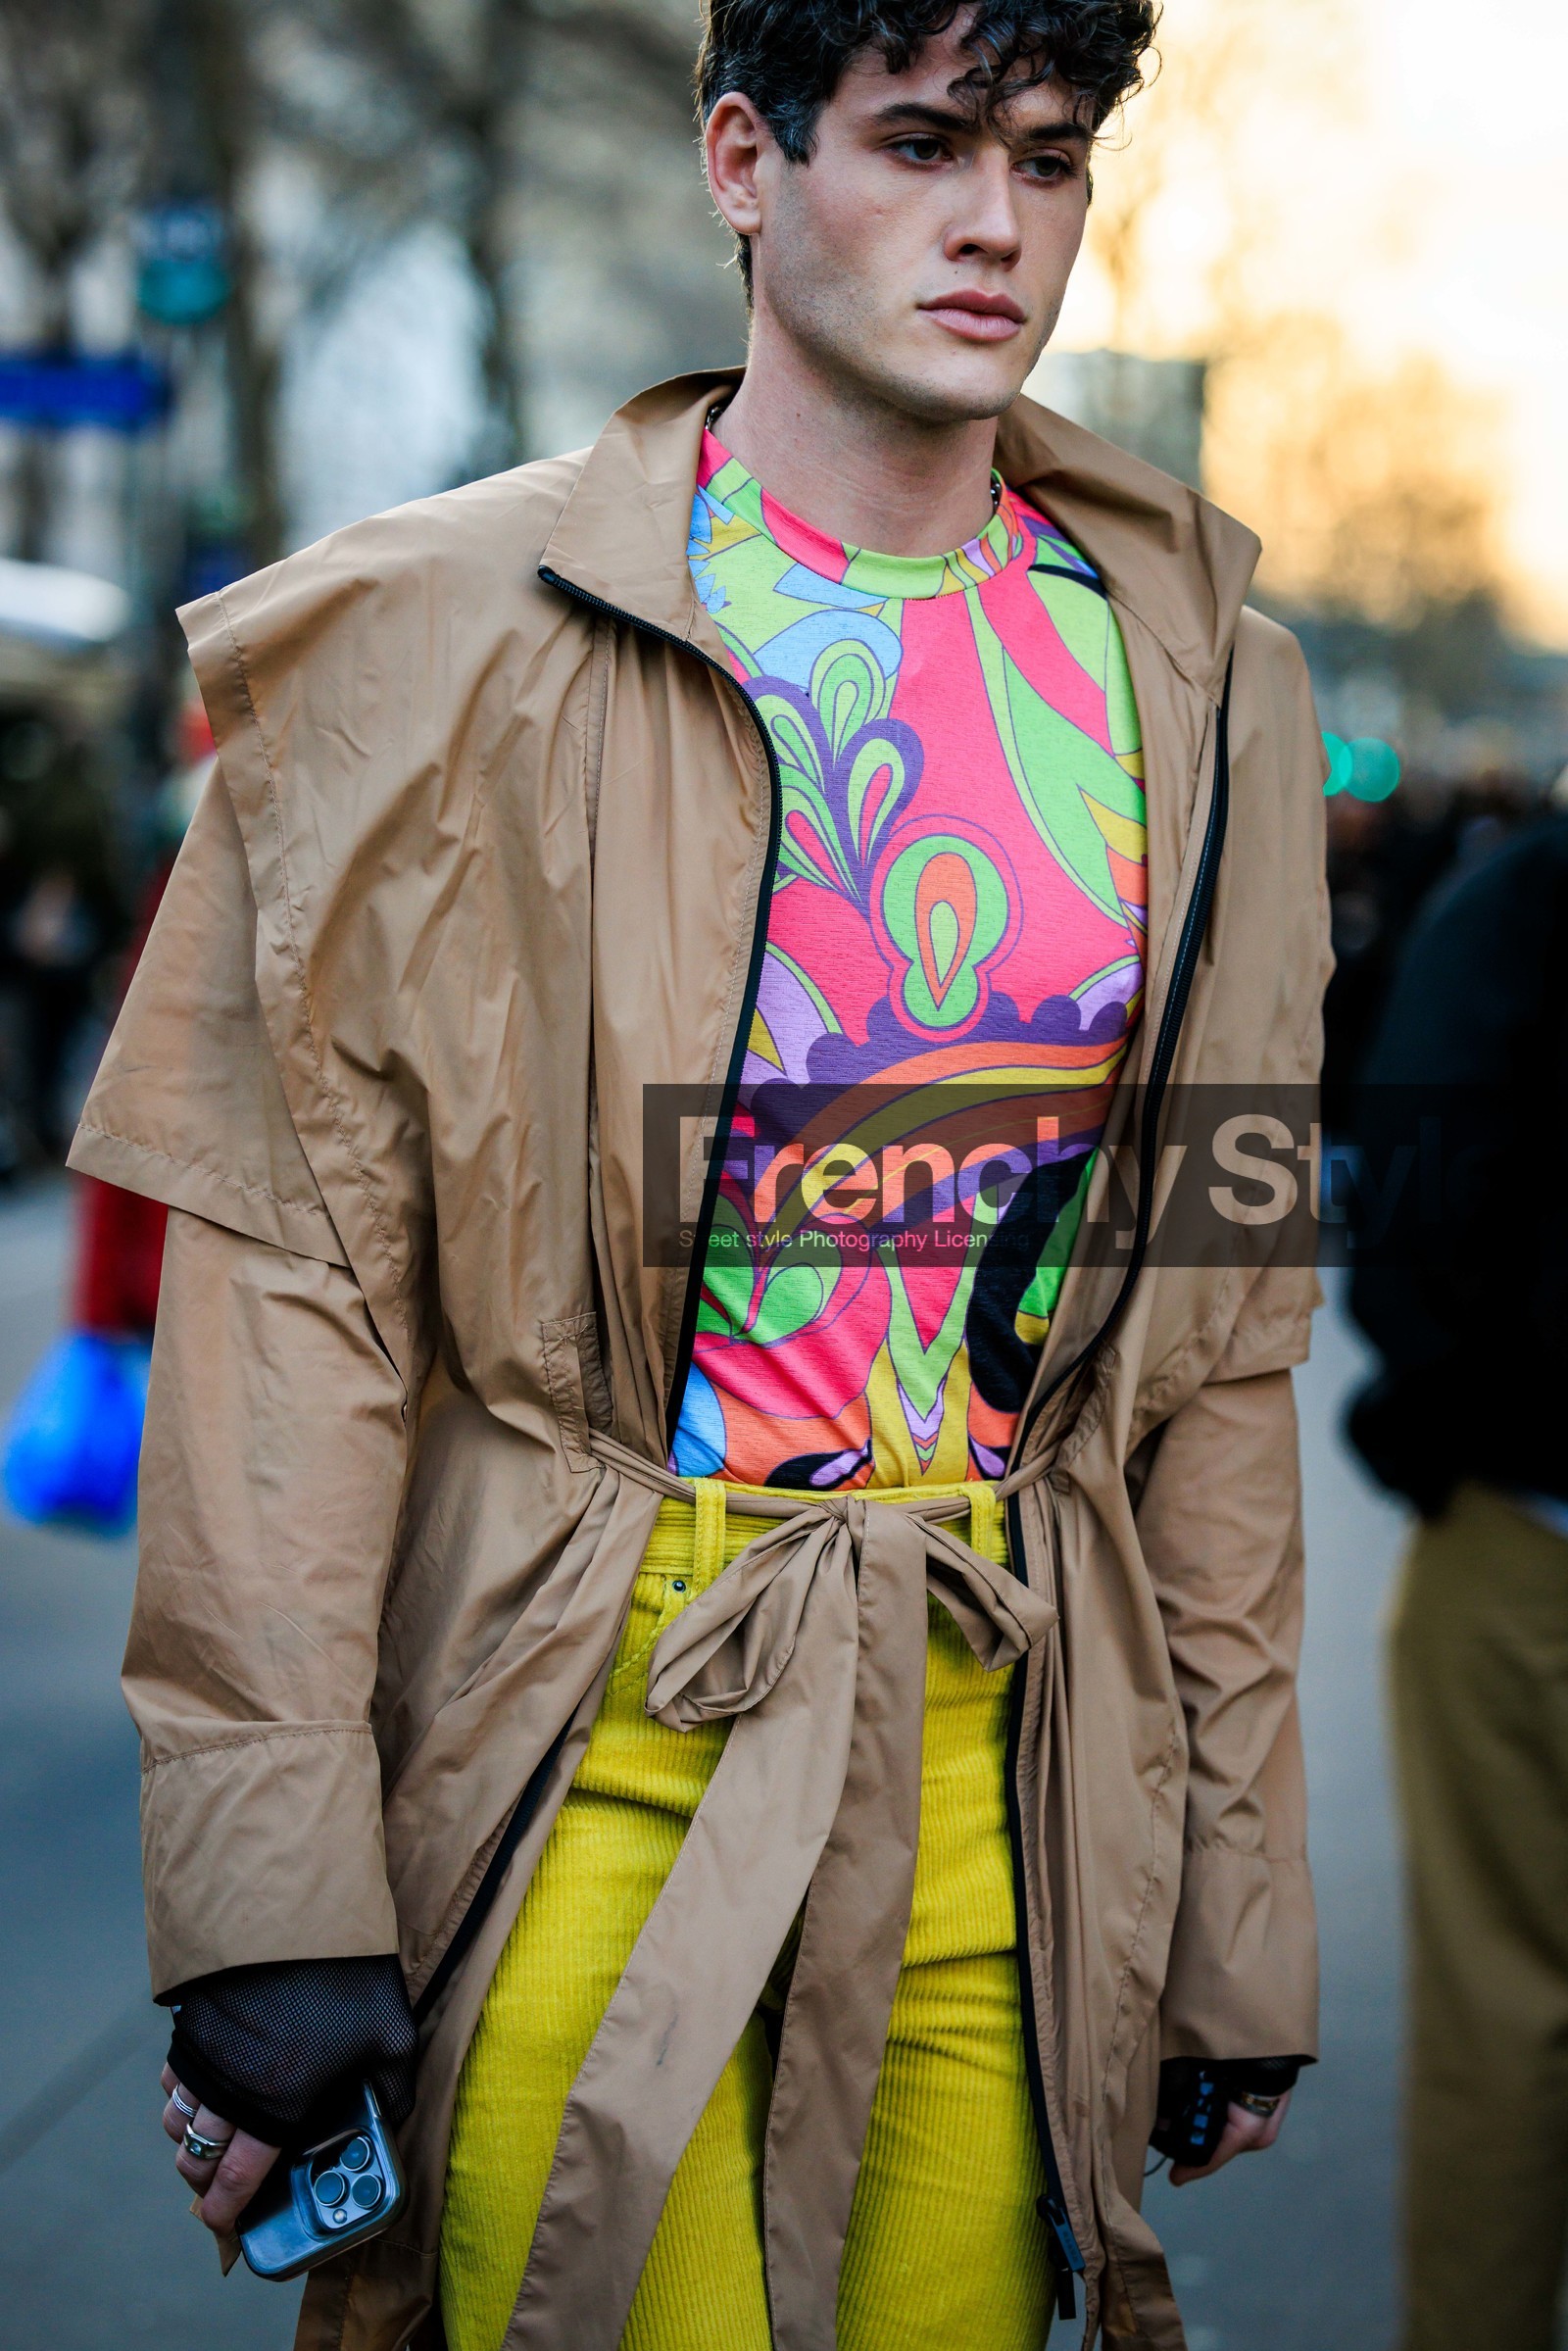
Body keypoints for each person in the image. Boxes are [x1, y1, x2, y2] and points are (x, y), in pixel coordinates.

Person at [72, 5, 1331, 2346]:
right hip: (574, 1708)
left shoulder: (1206, 681)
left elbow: (1219, 1323)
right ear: (744, 159)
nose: (994, 219)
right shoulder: (432, 637)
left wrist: (1230, 1901)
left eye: (1047, 159)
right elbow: (293, 1295)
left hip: (1001, 1740)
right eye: (924, 142)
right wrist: (267, 1897)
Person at [1348, 813, 1568, 2351]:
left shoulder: (1531, 903)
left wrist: (1449, 1411)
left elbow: (1417, 1208)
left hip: (1534, 1529)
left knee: (1508, 2017)